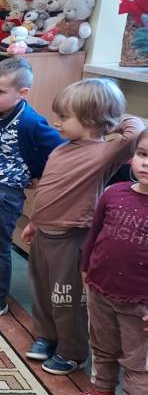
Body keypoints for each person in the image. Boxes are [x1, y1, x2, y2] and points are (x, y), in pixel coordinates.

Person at [22, 79, 143, 374]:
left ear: (90, 120)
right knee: (41, 290)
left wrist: (110, 122)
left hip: (72, 237)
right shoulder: (61, 149)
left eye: (64, 117)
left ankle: (72, 351)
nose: (56, 122)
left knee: (66, 297)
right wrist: (34, 222)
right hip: (44, 234)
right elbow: (49, 190)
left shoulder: (104, 153)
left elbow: (136, 130)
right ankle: (47, 336)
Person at [61, 129, 148, 395]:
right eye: (143, 154)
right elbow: (95, 233)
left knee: (138, 362)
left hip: (140, 303)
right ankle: (102, 392)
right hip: (100, 289)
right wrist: (86, 269)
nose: (146, 163)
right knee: (103, 347)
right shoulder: (114, 193)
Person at [0, 57, 63, 320]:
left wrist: (37, 175)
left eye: (0, 91)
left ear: (22, 93)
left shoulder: (31, 122)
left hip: (5, 195)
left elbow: (61, 151)